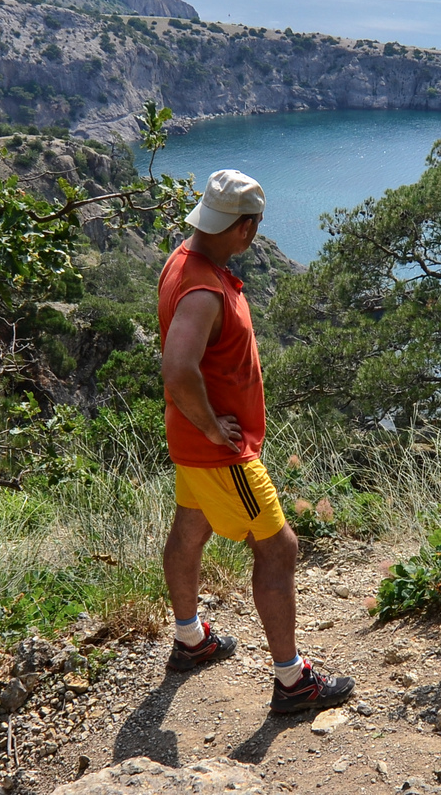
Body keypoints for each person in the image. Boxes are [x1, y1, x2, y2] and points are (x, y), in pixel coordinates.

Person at [157, 168, 354, 715]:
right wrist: (211, 427)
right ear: (244, 228)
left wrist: (197, 425)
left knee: (190, 527)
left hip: (193, 447)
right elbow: (178, 369)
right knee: (279, 546)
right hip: (221, 453)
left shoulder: (184, 261)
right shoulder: (202, 289)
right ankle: (293, 683)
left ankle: (190, 640)